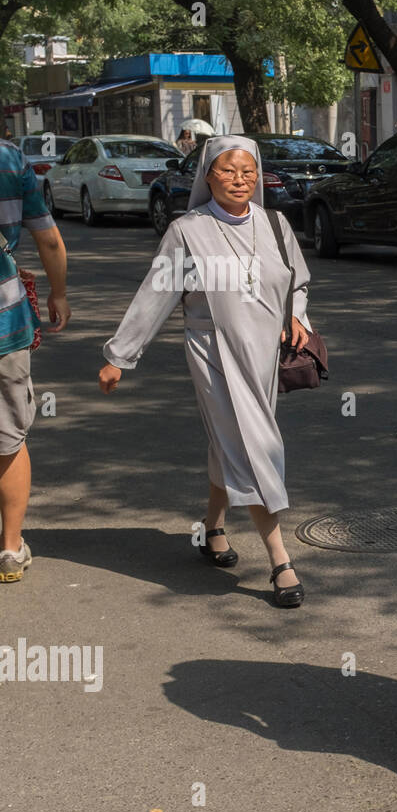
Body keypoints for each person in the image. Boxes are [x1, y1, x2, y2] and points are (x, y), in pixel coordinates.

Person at [97, 136, 313, 607]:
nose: (240, 179)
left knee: (230, 442)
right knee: (254, 446)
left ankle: (213, 528)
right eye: (229, 171)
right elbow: (155, 295)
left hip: (264, 358)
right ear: (208, 176)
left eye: (249, 171)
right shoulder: (188, 230)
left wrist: (296, 316)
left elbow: (296, 282)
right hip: (214, 354)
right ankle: (281, 561)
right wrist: (119, 356)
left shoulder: (275, 224)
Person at [0, 137, 70, 582]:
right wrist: (58, 292)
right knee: (7, 436)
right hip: (4, 323)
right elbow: (48, 239)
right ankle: (9, 548)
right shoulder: (9, 158)